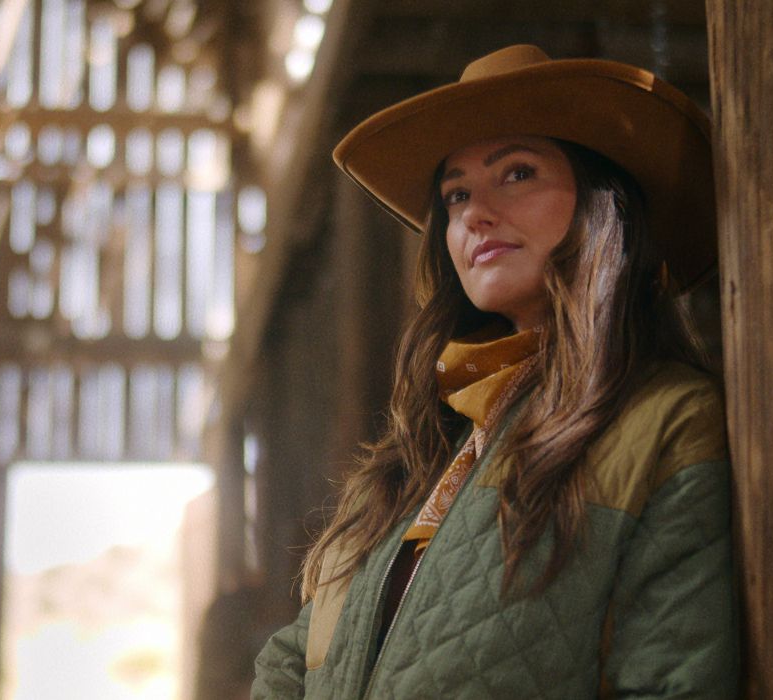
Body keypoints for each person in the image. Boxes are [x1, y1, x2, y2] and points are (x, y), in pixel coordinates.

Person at [252, 44, 738, 699]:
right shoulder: (431, 438)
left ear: (604, 198)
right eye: (455, 195)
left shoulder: (669, 418)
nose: (473, 213)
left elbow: (674, 681)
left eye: (516, 173)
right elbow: (296, 654)